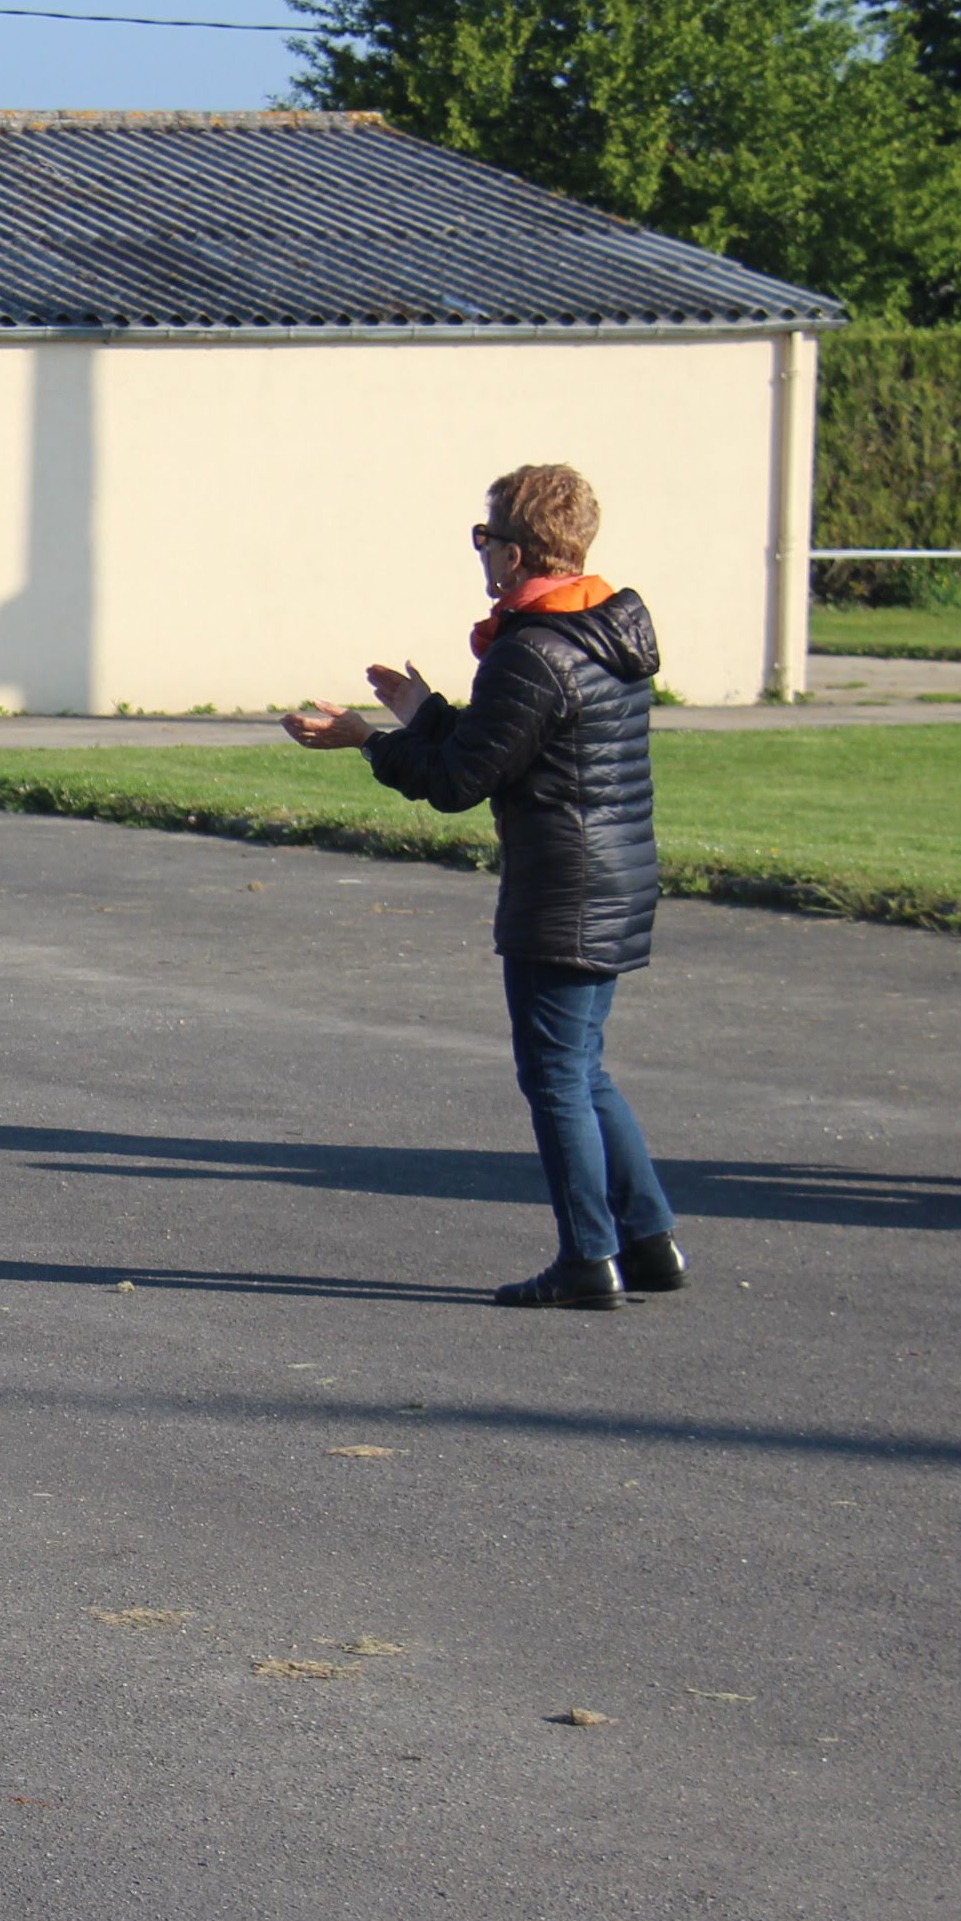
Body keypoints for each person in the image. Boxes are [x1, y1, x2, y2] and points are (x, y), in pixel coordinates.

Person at [285, 463, 686, 1308]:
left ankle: (588, 1259)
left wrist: (365, 742)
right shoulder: (593, 631)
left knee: (556, 1078)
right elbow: (508, 743)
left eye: (484, 538)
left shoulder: (530, 650)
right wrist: (424, 713)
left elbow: (459, 781)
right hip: (612, 875)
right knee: (583, 1068)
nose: (480, 554)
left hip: (563, 886)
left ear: (515, 553)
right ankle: (648, 1241)